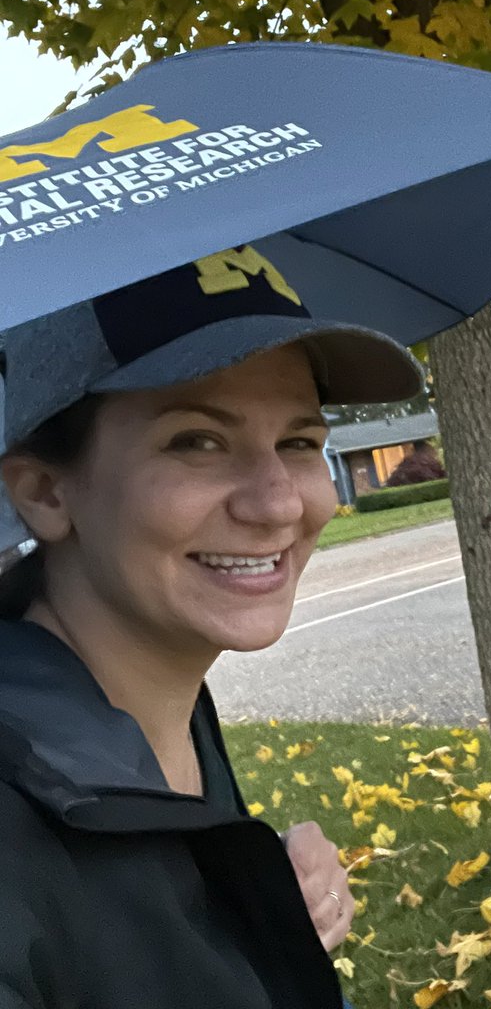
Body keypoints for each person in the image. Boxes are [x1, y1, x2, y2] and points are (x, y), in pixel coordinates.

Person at [0, 246, 423, 1008]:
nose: (279, 504)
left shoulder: (154, 701)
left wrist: (250, 899)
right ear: (44, 493)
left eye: (299, 442)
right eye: (196, 440)